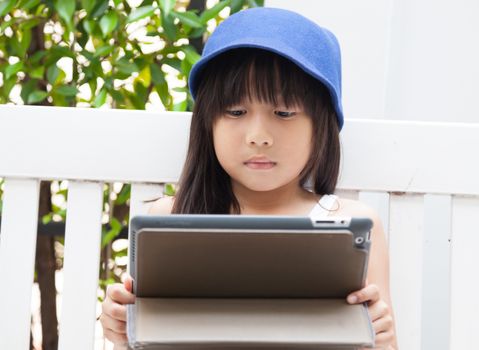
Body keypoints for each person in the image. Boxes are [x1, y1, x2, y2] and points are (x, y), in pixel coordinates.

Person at [100, 6, 397, 349]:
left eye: (284, 112)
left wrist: (382, 341)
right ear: (208, 122)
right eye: (236, 112)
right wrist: (124, 333)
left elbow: (381, 338)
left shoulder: (351, 224)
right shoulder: (170, 221)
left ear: (322, 127)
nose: (259, 136)